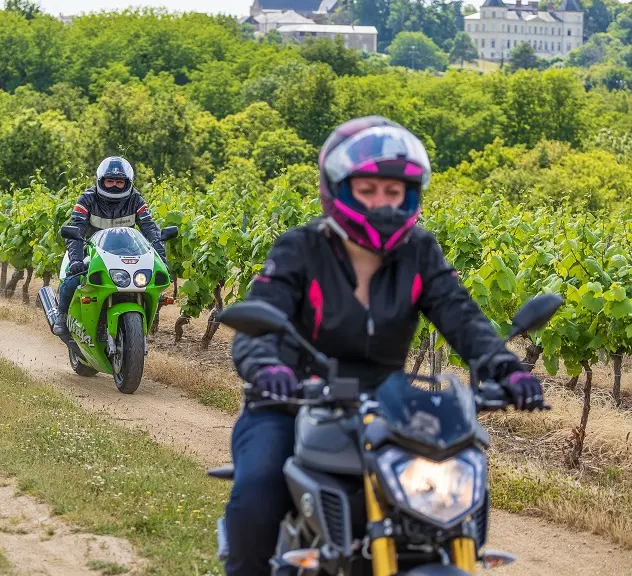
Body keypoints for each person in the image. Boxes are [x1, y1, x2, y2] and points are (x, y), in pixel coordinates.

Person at [222, 116, 545, 576]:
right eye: (367, 189)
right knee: (257, 491)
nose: (381, 202)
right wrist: (269, 369)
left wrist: (506, 369)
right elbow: (261, 321)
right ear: (337, 189)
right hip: (293, 401)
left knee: (449, 496)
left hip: (387, 409)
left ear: (409, 195)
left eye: (393, 192)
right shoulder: (300, 248)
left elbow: (460, 314)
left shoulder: (419, 250)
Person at [52, 156, 167, 336]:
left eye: (119, 182)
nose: (114, 185)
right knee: (72, 279)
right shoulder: (87, 199)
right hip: (91, 250)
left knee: (147, 284)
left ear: (127, 183)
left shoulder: (136, 200)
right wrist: (76, 260)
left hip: (127, 251)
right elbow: (77, 229)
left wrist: (162, 260)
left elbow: (151, 229)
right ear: (101, 181)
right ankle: (62, 315)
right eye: (110, 181)